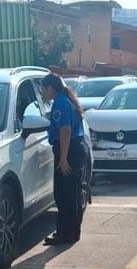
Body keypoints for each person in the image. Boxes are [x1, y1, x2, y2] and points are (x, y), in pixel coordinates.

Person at [40, 73, 90, 245]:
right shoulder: (66, 100)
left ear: (51, 88)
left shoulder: (60, 103)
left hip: (68, 151)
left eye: (43, 89)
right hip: (76, 149)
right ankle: (72, 233)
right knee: (73, 194)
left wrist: (63, 158)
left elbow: (65, 132)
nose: (42, 93)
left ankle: (65, 235)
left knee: (64, 195)